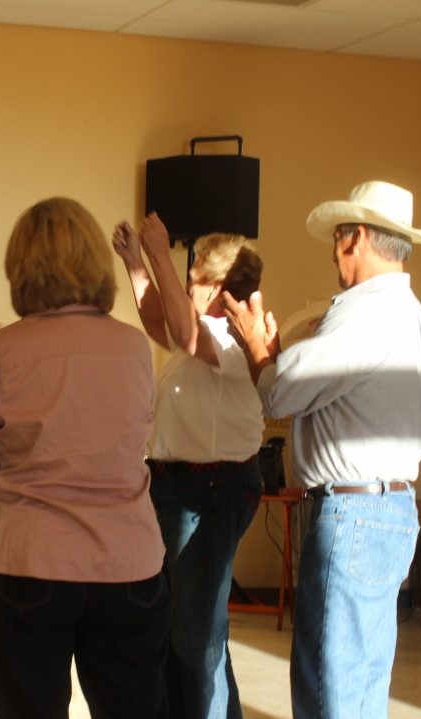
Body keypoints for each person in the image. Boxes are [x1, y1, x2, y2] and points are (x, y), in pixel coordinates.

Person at [223, 181, 421, 719]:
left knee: (331, 688)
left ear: (356, 239)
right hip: (389, 511)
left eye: (338, 240)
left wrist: (259, 350)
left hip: (353, 516)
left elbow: (280, 391)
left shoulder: (365, 310)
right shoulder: (411, 313)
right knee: (363, 686)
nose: (332, 253)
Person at [0, 197, 168, 719]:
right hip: (127, 561)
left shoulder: (1, 349)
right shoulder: (133, 347)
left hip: (29, 560)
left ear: (19, 266)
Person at [112, 213, 264, 719]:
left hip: (212, 488)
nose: (186, 284)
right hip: (180, 489)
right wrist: (136, 263)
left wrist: (158, 254)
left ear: (217, 288)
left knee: (196, 636)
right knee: (183, 630)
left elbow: (178, 327)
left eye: (193, 277)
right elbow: (162, 320)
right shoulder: (198, 337)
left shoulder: (237, 338)